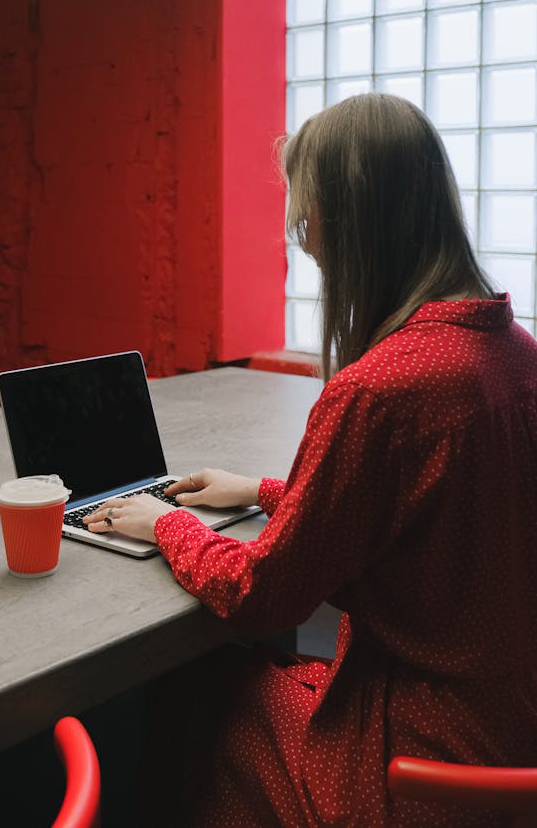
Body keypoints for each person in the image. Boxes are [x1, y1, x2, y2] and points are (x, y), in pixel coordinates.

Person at [85, 93, 537, 826]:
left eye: (308, 226)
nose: (310, 248)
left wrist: (163, 523)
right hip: (508, 730)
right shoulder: (515, 356)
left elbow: (266, 596)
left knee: (196, 691)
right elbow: (433, 511)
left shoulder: (379, 391)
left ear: (356, 226)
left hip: (409, 765)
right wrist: (268, 491)